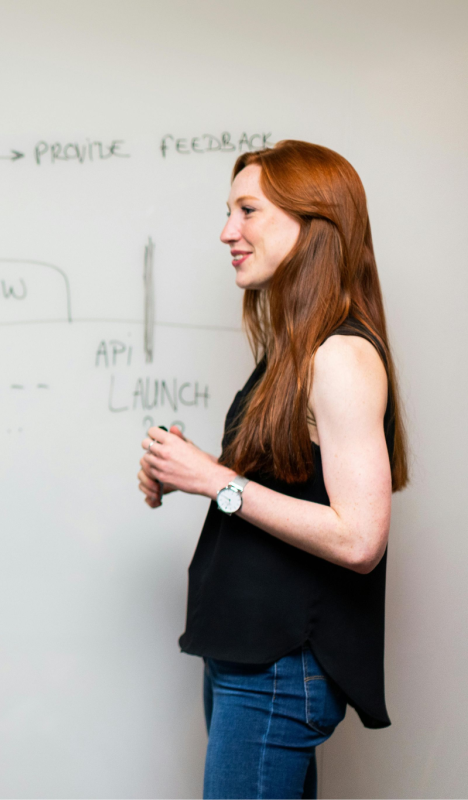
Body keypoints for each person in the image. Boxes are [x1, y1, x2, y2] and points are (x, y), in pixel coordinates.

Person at [136, 140, 407, 799]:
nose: (227, 231)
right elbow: (279, 490)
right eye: (229, 211)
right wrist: (188, 471)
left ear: (313, 222)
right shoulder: (296, 351)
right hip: (252, 659)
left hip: (278, 667)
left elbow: (359, 539)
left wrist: (212, 479)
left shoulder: (339, 356)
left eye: (247, 210)